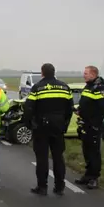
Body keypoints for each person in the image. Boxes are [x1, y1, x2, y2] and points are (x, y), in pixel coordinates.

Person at [24, 63, 74, 196]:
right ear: (54, 72)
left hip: (41, 127)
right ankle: (59, 187)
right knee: (58, 157)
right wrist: (64, 124)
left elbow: (29, 108)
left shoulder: (37, 88)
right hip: (58, 127)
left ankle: (42, 187)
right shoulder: (65, 87)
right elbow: (70, 109)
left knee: (42, 158)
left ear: (42, 73)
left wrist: (29, 124)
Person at [75, 65, 104, 190]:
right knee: (86, 151)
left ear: (93, 74)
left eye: (86, 73)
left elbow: (101, 108)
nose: (84, 75)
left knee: (94, 153)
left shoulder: (100, 88)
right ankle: (87, 175)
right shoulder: (88, 86)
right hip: (86, 124)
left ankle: (94, 178)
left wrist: (95, 124)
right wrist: (80, 111)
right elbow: (85, 103)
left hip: (94, 126)